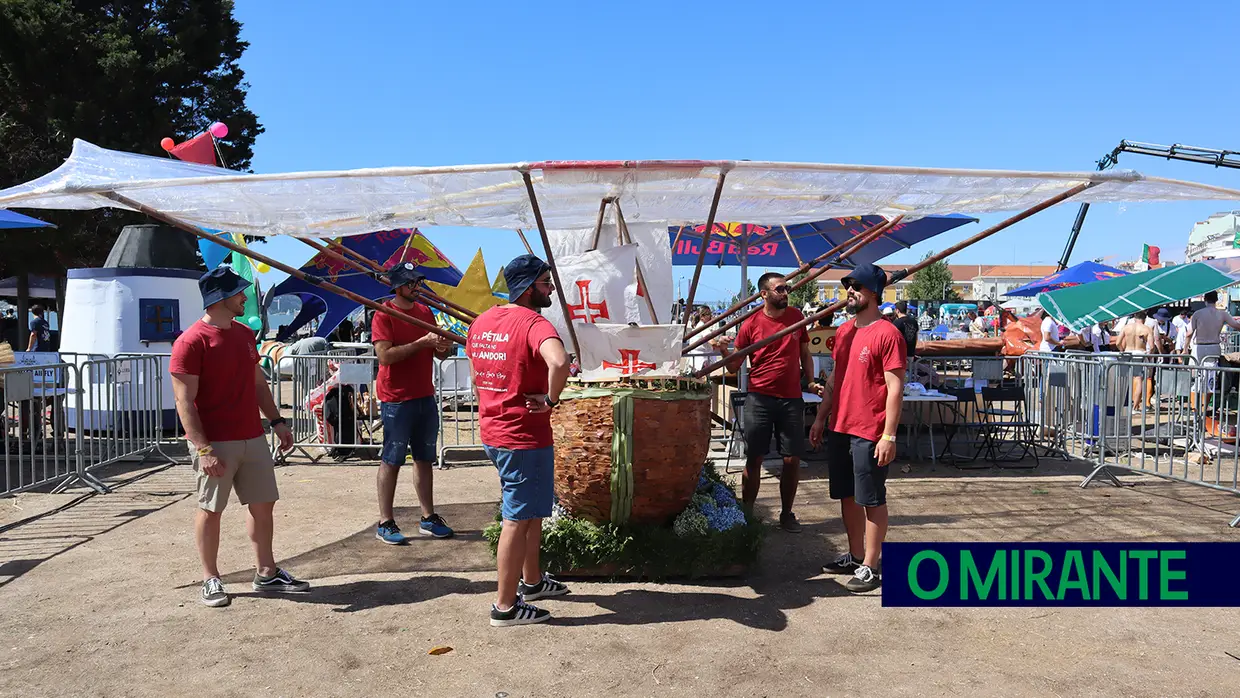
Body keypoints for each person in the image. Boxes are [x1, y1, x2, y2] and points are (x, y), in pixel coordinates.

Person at [169, 268, 308, 608]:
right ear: (219, 298)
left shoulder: (245, 334)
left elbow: (258, 383)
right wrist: (203, 449)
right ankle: (210, 578)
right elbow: (183, 402)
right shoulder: (190, 342)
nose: (245, 298)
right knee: (210, 509)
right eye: (238, 293)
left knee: (263, 505)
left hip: (252, 436)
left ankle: (266, 571)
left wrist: (276, 421)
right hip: (215, 443)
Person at [468, 254, 571, 627]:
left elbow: (476, 370)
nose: (551, 289)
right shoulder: (533, 323)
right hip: (523, 436)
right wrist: (552, 399)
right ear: (529, 287)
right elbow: (559, 362)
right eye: (546, 283)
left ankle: (532, 581)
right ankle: (505, 607)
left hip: (495, 430)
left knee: (529, 512)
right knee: (517, 518)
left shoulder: (483, 321)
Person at [809, 263, 905, 593]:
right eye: (847, 286)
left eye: (857, 287)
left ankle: (870, 565)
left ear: (874, 294)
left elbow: (895, 387)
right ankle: (854, 554)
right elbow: (835, 379)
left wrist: (888, 435)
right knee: (847, 496)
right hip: (840, 426)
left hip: (870, 429)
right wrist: (821, 418)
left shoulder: (888, 333)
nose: (850, 292)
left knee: (871, 499)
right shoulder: (844, 332)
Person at [712, 272, 819, 532]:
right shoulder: (751, 323)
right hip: (759, 398)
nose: (785, 293)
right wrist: (724, 350)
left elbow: (805, 351)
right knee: (755, 458)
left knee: (792, 460)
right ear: (764, 294)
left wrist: (811, 380)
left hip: (791, 399)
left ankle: (787, 514)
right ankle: (747, 514)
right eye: (780, 289)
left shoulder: (796, 318)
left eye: (786, 289)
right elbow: (736, 365)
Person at [371, 262, 457, 544]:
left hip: (424, 394)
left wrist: (442, 347)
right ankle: (386, 521)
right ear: (397, 286)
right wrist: (423, 343)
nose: (417, 287)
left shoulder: (424, 312)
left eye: (418, 282)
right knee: (391, 459)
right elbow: (385, 356)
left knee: (425, 458)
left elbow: (439, 354)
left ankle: (428, 517)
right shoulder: (384, 314)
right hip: (396, 398)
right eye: (411, 283)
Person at [1117, 310, 1158, 407]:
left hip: (1127, 352)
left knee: (1124, 378)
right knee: (1139, 379)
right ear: (1144, 320)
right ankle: (1135, 405)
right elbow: (1152, 346)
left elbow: (1118, 342)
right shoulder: (1147, 329)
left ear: (1134, 318)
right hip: (1140, 353)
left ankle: (1122, 403)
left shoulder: (1126, 327)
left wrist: (1122, 350)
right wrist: (1148, 355)